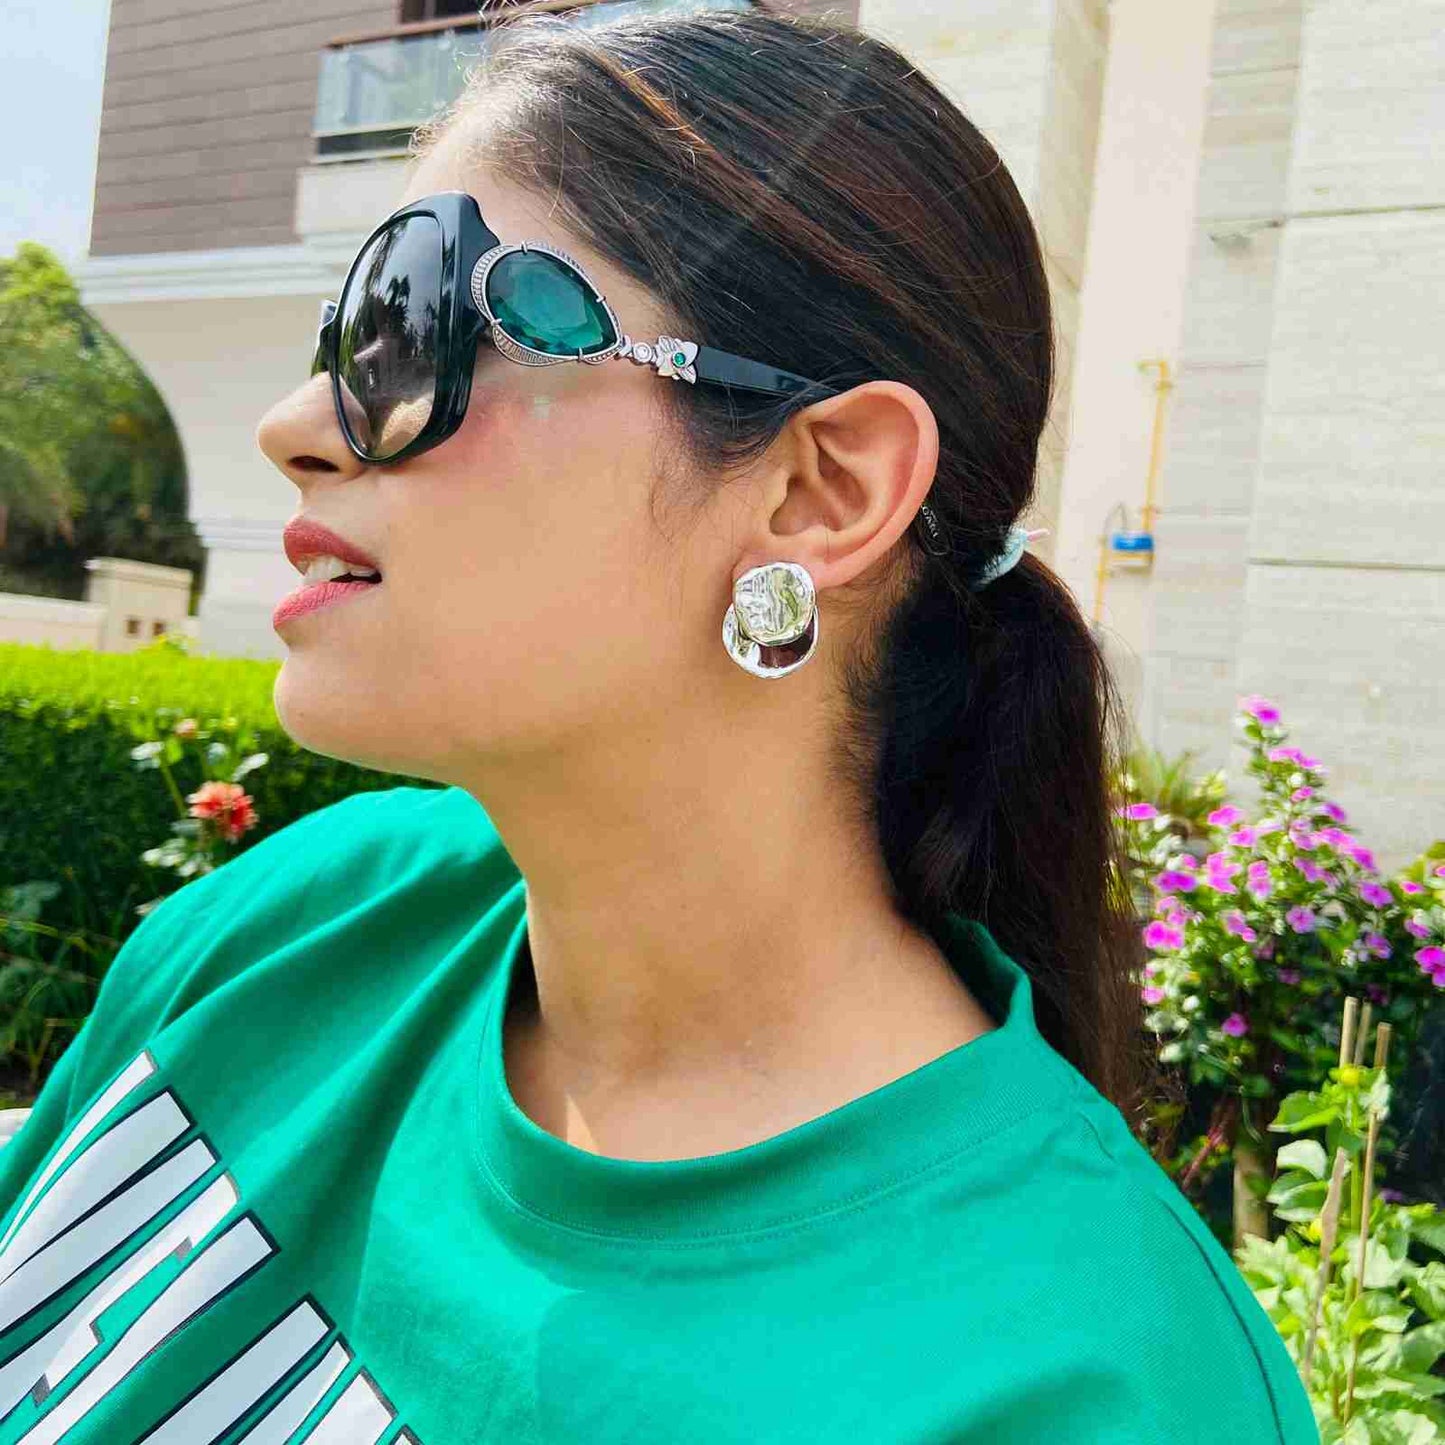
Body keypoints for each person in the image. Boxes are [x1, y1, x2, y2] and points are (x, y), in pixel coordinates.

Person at [0, 9, 1319, 1443]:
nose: (297, 421)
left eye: (417, 322)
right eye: (344, 335)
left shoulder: (1090, 1382)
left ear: (818, 491)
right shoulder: (290, 934)